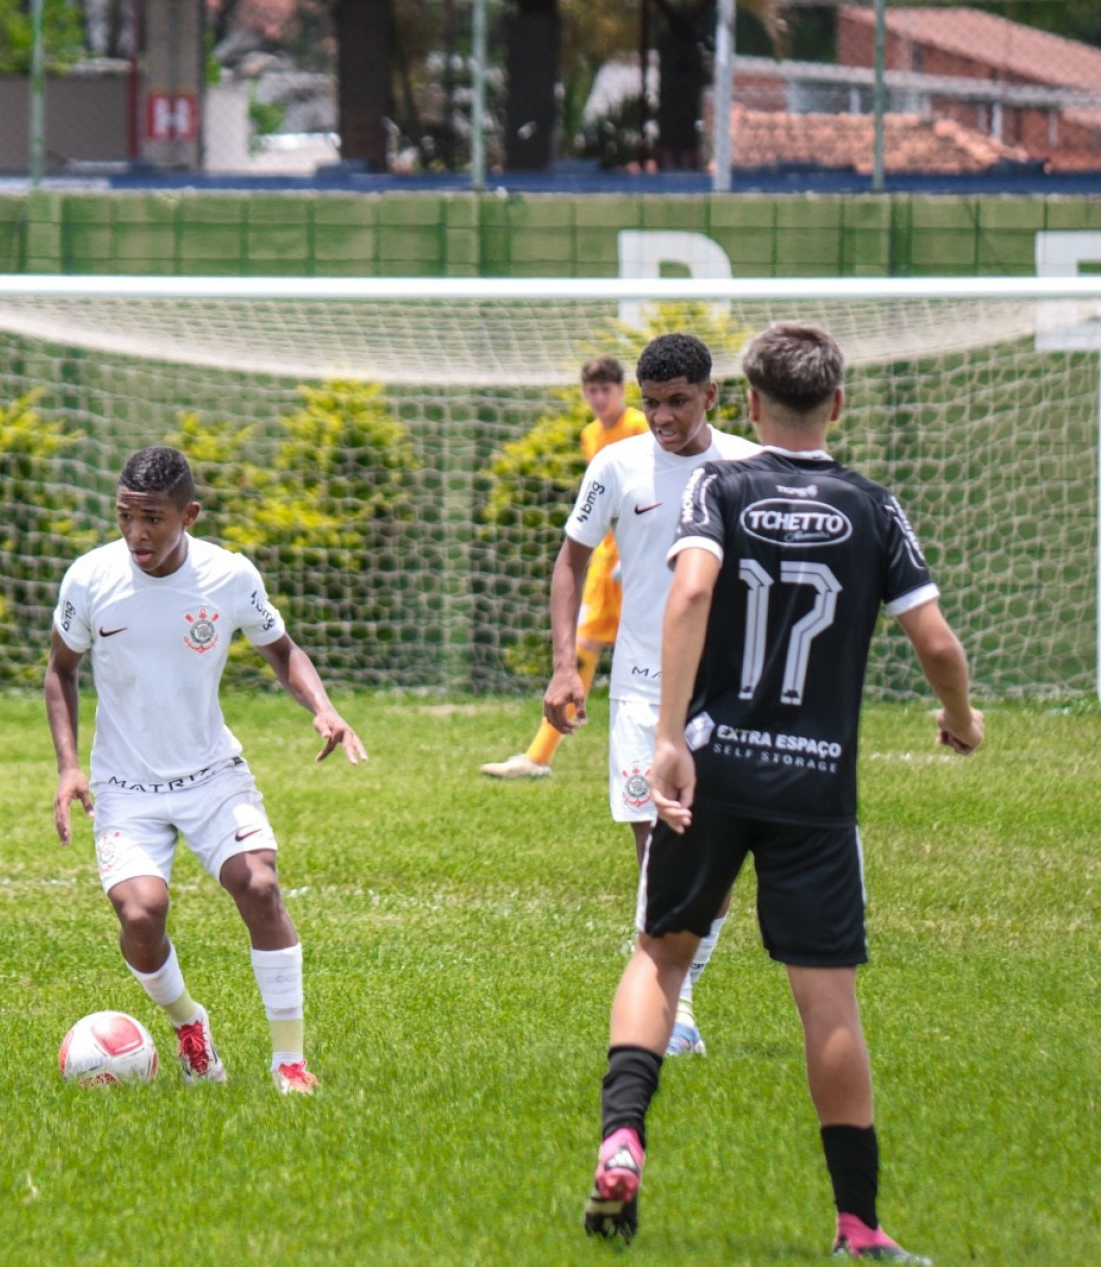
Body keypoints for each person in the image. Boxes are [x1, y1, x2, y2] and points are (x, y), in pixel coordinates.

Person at [583, 324, 983, 1262]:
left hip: (715, 764)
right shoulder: (872, 506)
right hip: (813, 783)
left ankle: (621, 1136)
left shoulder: (720, 485)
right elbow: (934, 641)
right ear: (836, 405)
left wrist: (671, 736)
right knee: (827, 1002)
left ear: (749, 406)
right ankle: (857, 1225)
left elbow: (686, 599)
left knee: (659, 954)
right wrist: (959, 716)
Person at [46, 447, 366, 1095]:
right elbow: (60, 669)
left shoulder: (227, 575)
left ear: (188, 514)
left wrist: (323, 707)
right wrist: (68, 766)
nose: (136, 533)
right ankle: (189, 1024)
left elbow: (281, 649)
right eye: (125, 516)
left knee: (259, 885)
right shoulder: (89, 578)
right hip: (125, 786)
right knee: (140, 914)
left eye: (153, 519)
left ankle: (289, 1062)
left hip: (211, 775)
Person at [542, 334, 760, 1057]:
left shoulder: (746, 467)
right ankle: (677, 1005)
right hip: (638, 689)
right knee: (658, 847)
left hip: (723, 690)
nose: (662, 417)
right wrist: (565, 667)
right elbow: (570, 561)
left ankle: (675, 984)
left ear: (711, 396)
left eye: (677, 401)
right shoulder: (615, 465)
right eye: (652, 402)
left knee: (709, 851)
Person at [482, 355, 648, 780]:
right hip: (605, 562)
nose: (598, 398)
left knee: (656, 650)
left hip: (636, 558)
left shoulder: (637, 426)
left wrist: (635, 555)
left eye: (605, 390)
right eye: (591, 390)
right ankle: (538, 757)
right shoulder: (590, 435)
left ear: (621, 391)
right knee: (583, 649)